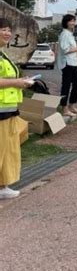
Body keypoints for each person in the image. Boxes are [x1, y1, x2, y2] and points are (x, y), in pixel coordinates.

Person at [0, 17, 32, 199]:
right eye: (3, 29)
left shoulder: (3, 54)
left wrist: (22, 82)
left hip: (8, 110)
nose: (7, 33)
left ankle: (2, 185)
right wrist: (18, 82)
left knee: (8, 149)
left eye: (8, 30)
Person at [56, 14, 77, 117]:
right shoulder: (64, 34)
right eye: (71, 21)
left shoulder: (70, 34)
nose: (73, 23)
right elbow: (66, 50)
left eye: (74, 21)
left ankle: (71, 105)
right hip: (66, 63)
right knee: (66, 86)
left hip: (73, 63)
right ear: (66, 22)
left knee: (76, 84)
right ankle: (64, 108)